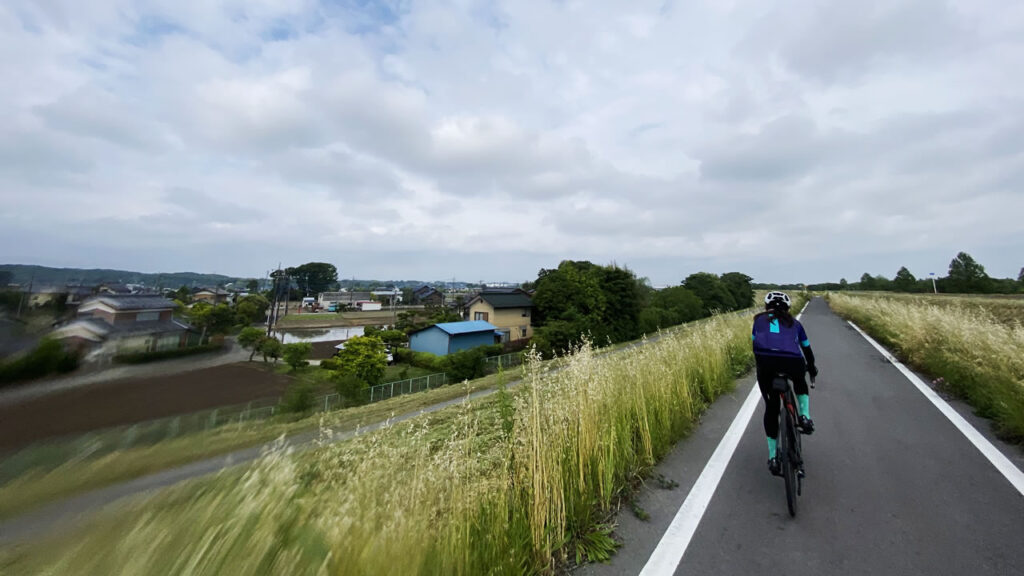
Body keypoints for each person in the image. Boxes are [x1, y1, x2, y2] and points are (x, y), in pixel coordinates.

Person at [752, 291, 818, 476]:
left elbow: (755, 346)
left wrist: (764, 371)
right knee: (800, 382)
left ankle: (773, 457)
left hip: (766, 363)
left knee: (771, 408)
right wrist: (812, 369)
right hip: (792, 361)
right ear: (788, 308)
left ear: (766, 307)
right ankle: (804, 416)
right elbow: (807, 349)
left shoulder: (758, 321)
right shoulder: (795, 324)